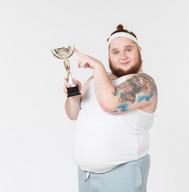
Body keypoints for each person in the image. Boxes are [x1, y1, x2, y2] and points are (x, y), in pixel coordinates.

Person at [63, 24, 158, 192]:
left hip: (122, 176)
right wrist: (73, 94)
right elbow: (73, 113)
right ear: (109, 55)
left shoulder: (144, 83)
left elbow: (110, 104)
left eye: (128, 50)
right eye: (116, 52)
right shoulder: (97, 80)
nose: (122, 56)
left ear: (139, 50)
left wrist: (97, 66)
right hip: (86, 177)